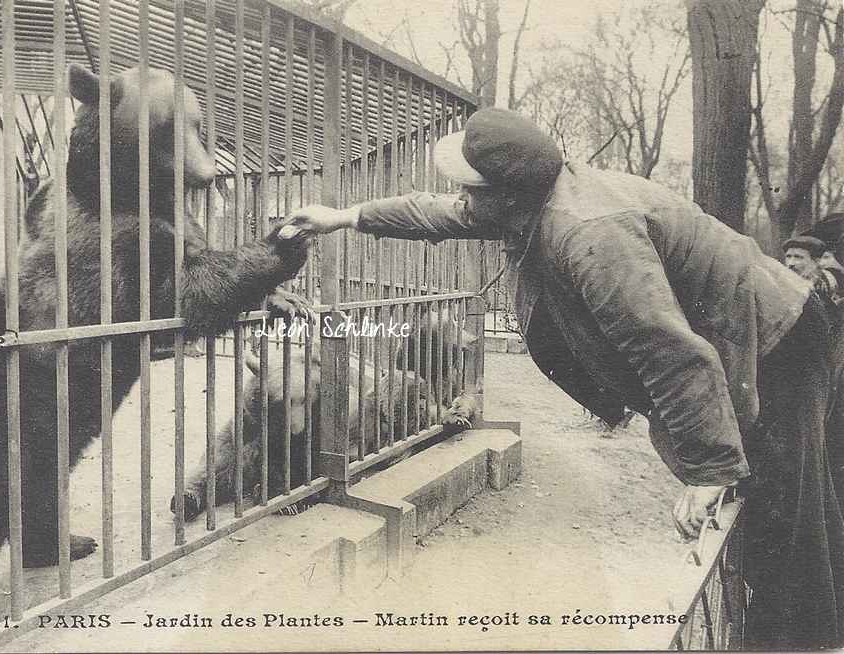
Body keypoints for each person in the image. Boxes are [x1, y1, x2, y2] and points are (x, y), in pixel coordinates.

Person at [287, 107, 844, 649]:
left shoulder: (592, 236)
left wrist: (708, 468)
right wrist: (346, 217)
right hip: (751, 334)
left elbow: (668, 352)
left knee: (787, 516)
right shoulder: (536, 196)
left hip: (779, 341)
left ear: (506, 192)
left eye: (472, 188)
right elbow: (439, 212)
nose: (465, 199)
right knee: (784, 507)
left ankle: (799, 639)